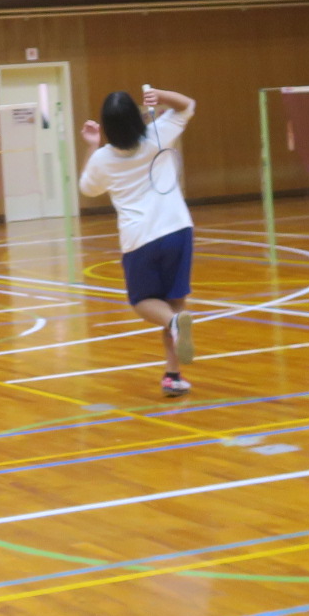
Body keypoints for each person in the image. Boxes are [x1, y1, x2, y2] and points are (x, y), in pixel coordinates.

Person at [79, 86, 197, 398]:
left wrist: (91, 146)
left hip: (140, 239)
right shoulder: (157, 134)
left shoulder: (103, 159)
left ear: (107, 126)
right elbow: (188, 105)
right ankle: (173, 375)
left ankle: (174, 324)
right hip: (178, 229)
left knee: (143, 302)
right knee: (173, 303)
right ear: (135, 117)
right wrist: (160, 95)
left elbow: (87, 188)